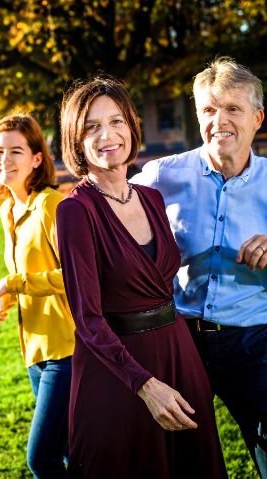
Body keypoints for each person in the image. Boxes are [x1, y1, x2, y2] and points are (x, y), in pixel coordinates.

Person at [56, 77, 227, 478]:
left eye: (116, 121)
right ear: (75, 140)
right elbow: (87, 319)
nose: (107, 135)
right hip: (119, 375)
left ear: (132, 127)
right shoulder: (75, 212)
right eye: (91, 127)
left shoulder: (151, 197)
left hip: (179, 357)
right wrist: (144, 385)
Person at [132, 56, 267, 477]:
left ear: (257, 118)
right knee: (187, 458)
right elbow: (109, 214)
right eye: (209, 109)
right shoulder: (161, 176)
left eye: (232, 109)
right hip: (182, 340)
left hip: (256, 341)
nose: (219, 120)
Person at [0, 113, 74, 478]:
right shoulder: (8, 208)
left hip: (67, 350)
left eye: (16, 151)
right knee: (69, 454)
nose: (4, 160)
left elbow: (77, 277)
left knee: (42, 459)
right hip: (33, 353)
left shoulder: (53, 205)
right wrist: (7, 299)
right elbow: (30, 273)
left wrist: (13, 284)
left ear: (37, 158)